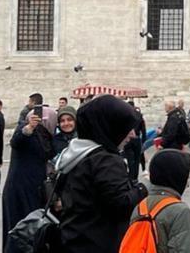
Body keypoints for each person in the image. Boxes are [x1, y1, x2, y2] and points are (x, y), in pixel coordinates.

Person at [56, 95, 148, 253]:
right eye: (125, 128)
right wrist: (144, 187)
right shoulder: (105, 160)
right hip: (98, 243)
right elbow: (121, 204)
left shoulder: (77, 152)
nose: (132, 135)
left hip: (75, 240)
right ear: (110, 127)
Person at [1, 104, 56, 248]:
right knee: (18, 231)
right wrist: (28, 128)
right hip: (19, 190)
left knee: (32, 233)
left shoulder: (48, 137)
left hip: (35, 189)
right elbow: (16, 142)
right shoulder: (26, 129)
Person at [127, 149, 190, 253]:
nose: (189, 178)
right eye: (186, 174)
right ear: (176, 176)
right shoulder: (180, 211)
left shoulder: (141, 206)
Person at [123, 102, 146, 181]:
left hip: (128, 139)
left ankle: (131, 177)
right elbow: (143, 129)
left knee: (130, 159)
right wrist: (143, 140)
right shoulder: (139, 115)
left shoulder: (125, 114)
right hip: (137, 138)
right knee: (137, 159)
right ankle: (135, 177)